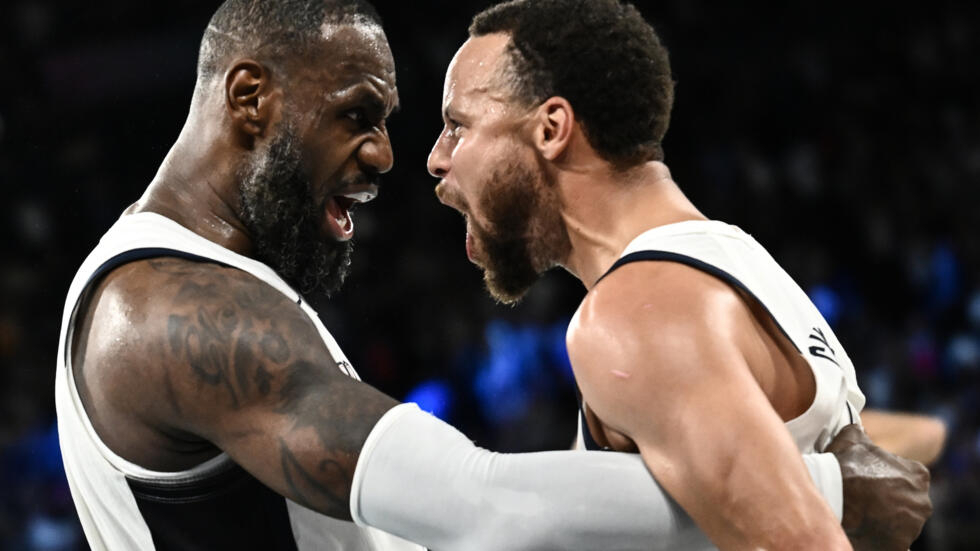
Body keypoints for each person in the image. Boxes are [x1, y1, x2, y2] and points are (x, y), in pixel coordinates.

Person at [55, 1, 928, 550]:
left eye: (446, 126)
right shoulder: (169, 309)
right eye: (360, 114)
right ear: (250, 100)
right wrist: (823, 484)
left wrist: (788, 475)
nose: (400, 158)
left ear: (550, 128)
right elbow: (481, 507)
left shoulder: (661, 298)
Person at [427, 0, 932, 549]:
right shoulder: (732, 261)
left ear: (551, 128)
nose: (436, 158)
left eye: (458, 126)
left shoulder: (638, 312)